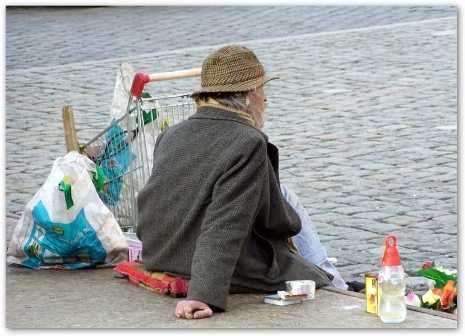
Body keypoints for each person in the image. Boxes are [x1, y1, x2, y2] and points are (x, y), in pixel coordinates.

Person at [137, 45, 347, 320]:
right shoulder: (246, 142)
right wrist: (203, 294)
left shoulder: (172, 134)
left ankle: (334, 278)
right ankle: (335, 282)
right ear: (250, 96)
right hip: (200, 265)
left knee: (284, 193)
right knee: (309, 274)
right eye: (263, 90)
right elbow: (226, 222)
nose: (266, 100)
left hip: (162, 255)